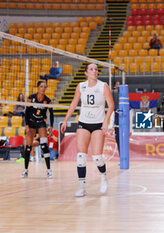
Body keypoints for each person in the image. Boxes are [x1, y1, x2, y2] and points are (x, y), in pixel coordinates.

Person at [61, 63, 114, 197]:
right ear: (86, 73)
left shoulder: (103, 86)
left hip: (97, 124)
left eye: (96, 69)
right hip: (83, 123)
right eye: (91, 69)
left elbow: (111, 105)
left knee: (97, 156)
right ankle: (82, 187)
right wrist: (66, 119)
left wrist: (105, 121)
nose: (94, 71)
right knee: (80, 156)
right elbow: (74, 103)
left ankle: (103, 177)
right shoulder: (81, 86)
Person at [21, 80, 54, 179]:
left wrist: (51, 126)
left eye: (45, 87)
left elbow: (51, 114)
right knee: (28, 147)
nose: (43, 89)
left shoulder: (48, 100)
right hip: (31, 122)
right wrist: (26, 125)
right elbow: (27, 112)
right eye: (41, 86)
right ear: (38, 88)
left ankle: (49, 171)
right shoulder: (31, 98)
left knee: (44, 146)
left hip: (41, 123)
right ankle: (25, 171)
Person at [112, 81, 120, 155]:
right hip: (116, 125)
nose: (118, 85)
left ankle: (123, 157)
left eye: (119, 84)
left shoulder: (122, 94)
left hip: (122, 125)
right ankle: (121, 157)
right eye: (117, 84)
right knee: (118, 141)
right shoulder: (113, 92)